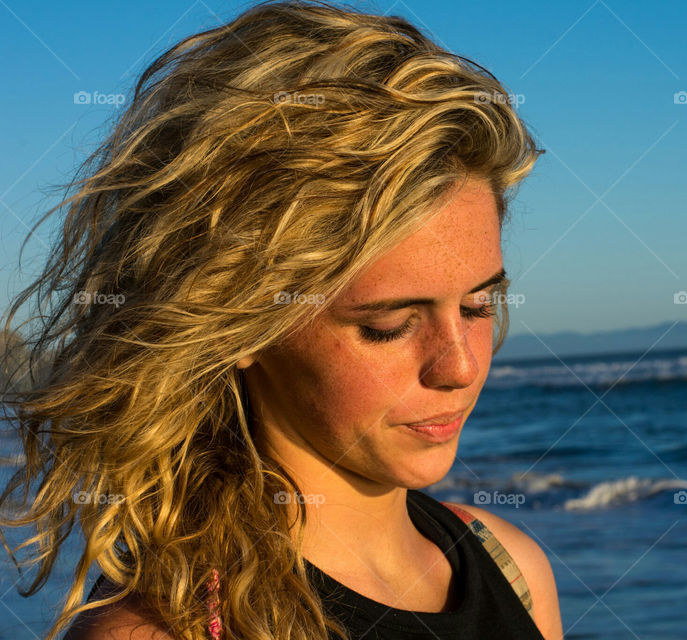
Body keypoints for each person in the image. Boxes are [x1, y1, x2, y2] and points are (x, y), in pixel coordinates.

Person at [0, 1, 562, 638]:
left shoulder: (511, 565)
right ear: (240, 323)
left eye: (477, 306)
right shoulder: (166, 630)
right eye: (389, 325)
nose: (460, 366)